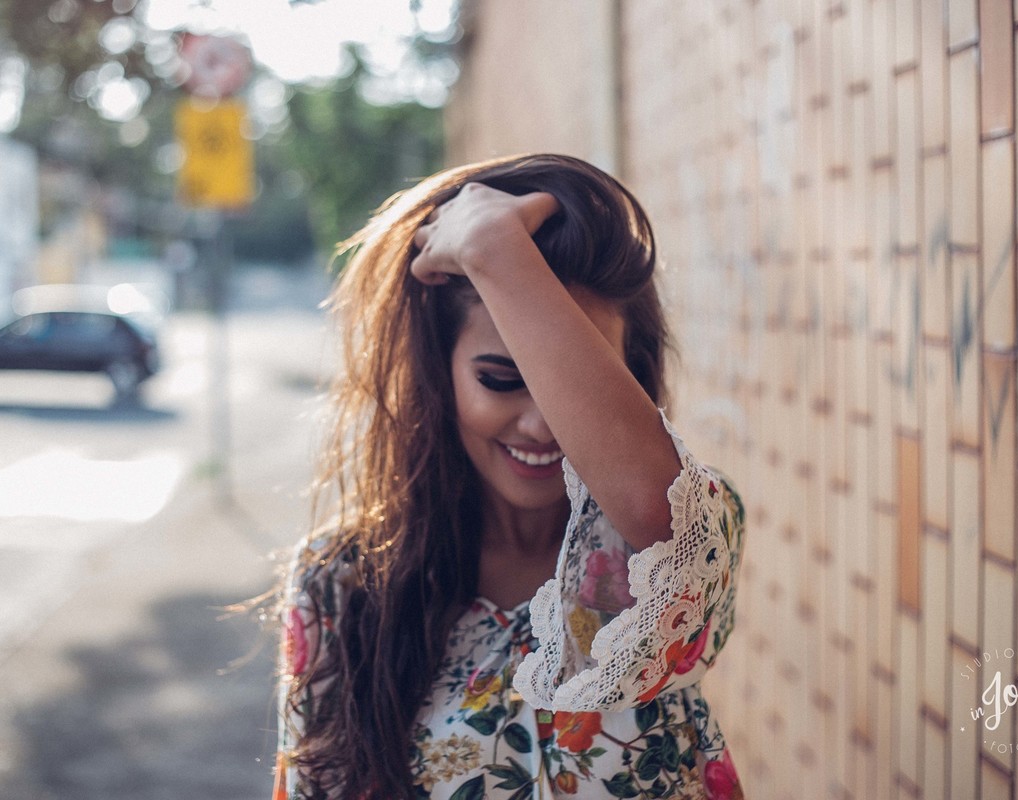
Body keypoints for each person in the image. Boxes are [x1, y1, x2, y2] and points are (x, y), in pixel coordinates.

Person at [271, 154, 746, 799]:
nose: (541, 426)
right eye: (499, 380)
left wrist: (497, 250)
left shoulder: (668, 551)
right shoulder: (341, 583)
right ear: (441, 375)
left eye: (572, 385)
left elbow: (653, 509)